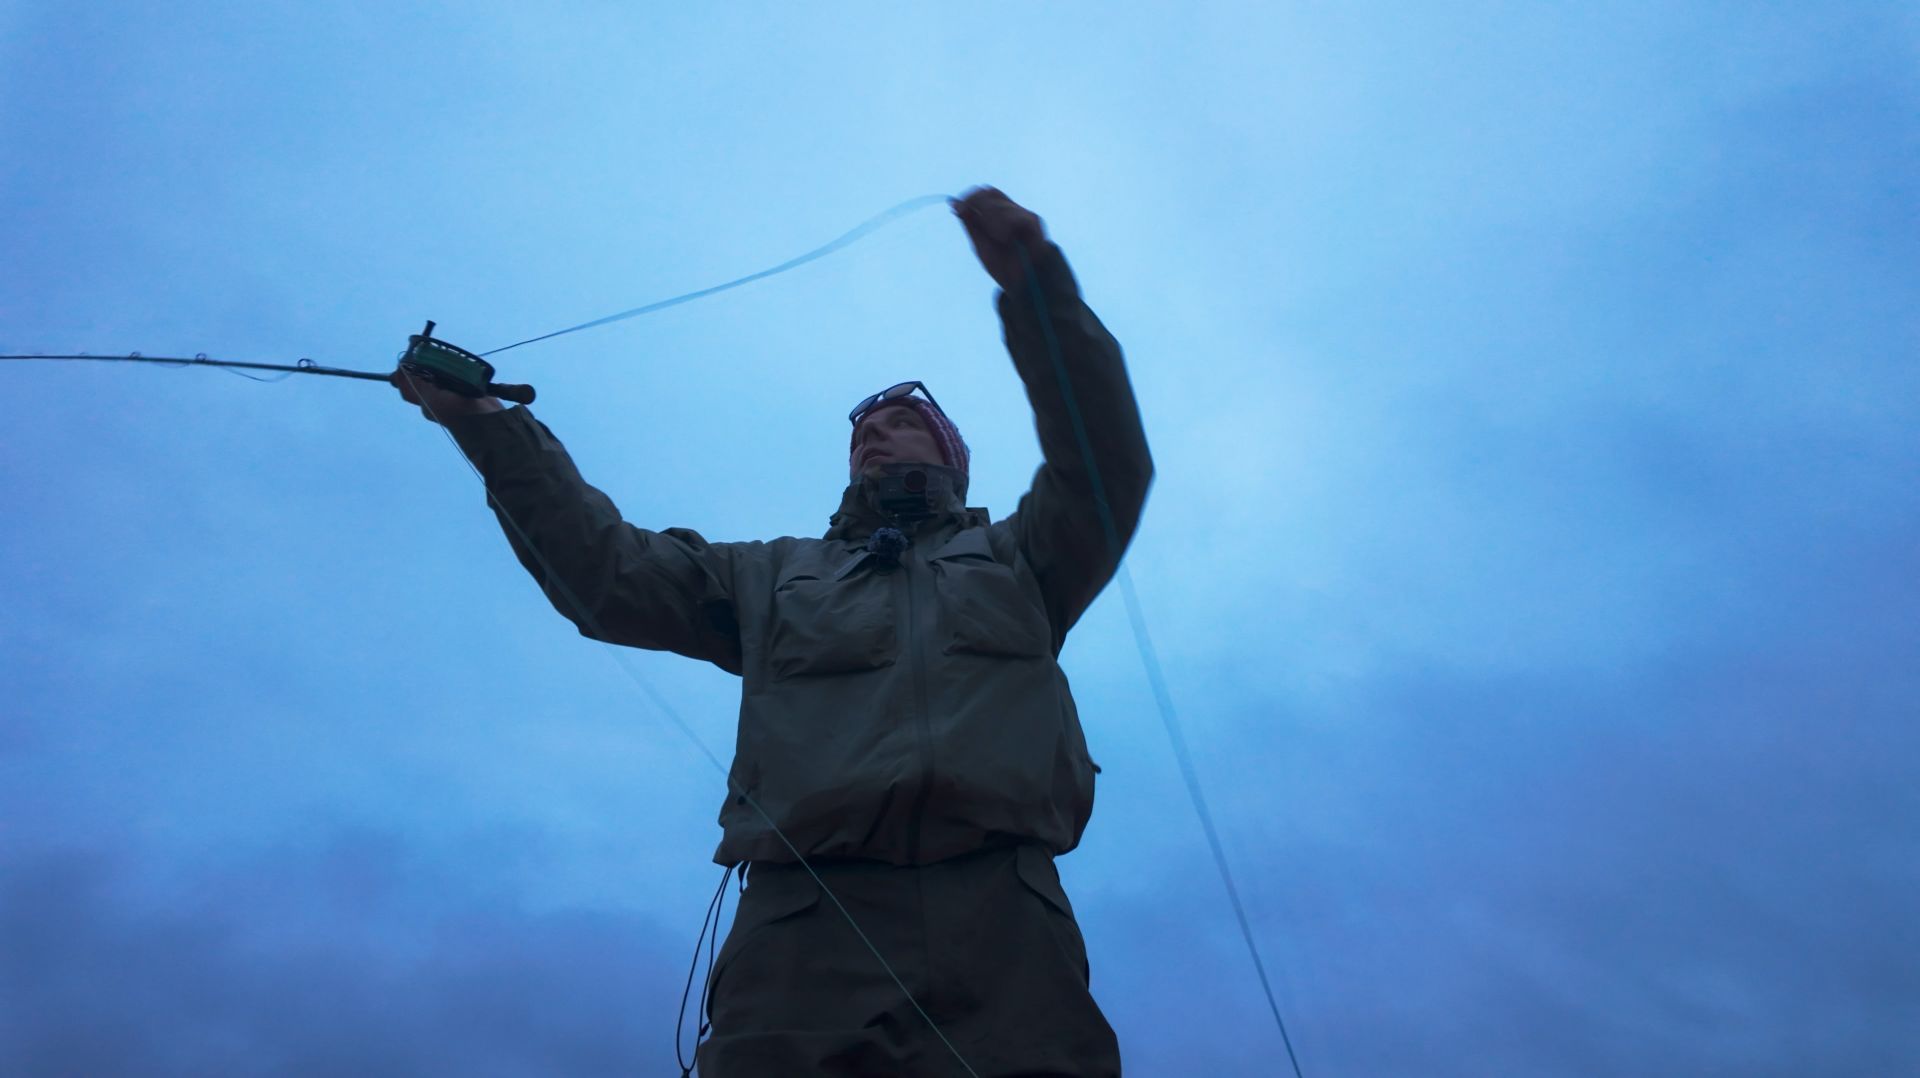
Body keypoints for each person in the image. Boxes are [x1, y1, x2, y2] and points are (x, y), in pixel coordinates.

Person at [394, 186, 1152, 1077]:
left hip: (1008, 918)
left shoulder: (1023, 557)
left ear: (952, 457)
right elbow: (606, 576)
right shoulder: (769, 573)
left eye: (901, 424)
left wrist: (1037, 293)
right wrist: (487, 427)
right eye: (863, 433)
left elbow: (1105, 464)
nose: (875, 437)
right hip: (802, 924)